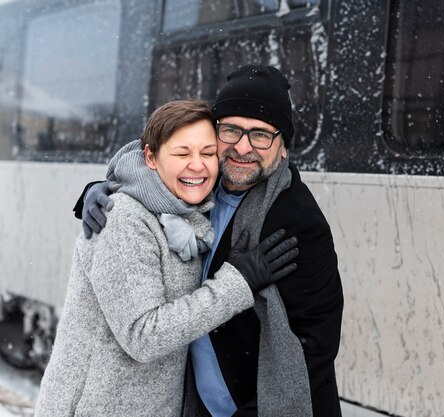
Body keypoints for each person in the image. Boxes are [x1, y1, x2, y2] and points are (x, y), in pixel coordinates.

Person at [80, 65, 344, 417]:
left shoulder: (297, 221)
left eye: (261, 135)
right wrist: (98, 191)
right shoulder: (202, 188)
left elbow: (316, 343)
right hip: (199, 402)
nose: (242, 147)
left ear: (283, 149)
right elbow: (151, 173)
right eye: (231, 130)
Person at [36, 99, 299, 417]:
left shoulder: (191, 215)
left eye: (207, 153)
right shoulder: (124, 220)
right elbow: (143, 335)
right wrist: (237, 283)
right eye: (182, 153)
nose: (198, 165)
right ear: (150, 157)